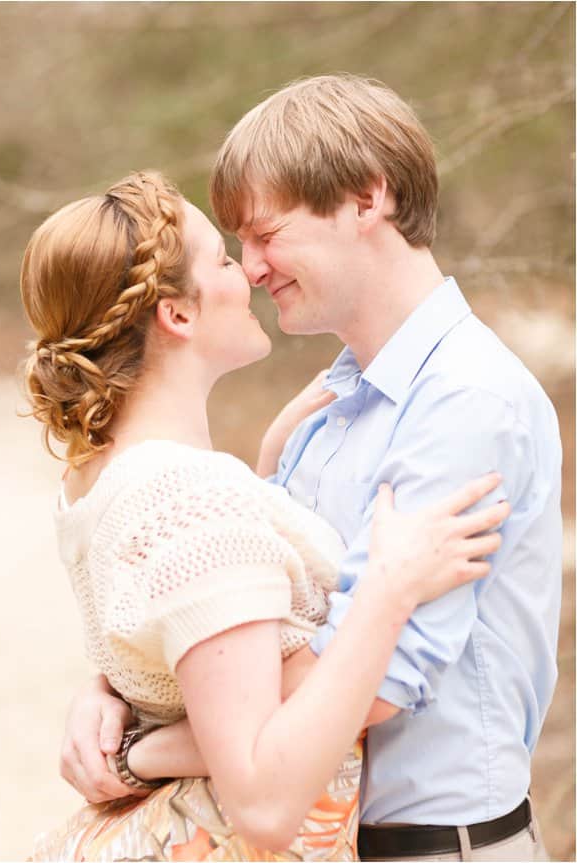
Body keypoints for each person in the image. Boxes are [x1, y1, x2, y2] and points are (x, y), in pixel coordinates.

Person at [58, 76, 562, 862]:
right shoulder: (330, 408)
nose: (252, 269)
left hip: (436, 847)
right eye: (236, 247)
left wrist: (145, 747)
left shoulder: (468, 402)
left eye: (264, 235)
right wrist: (117, 692)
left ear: (367, 201)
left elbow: (376, 683)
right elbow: (246, 631)